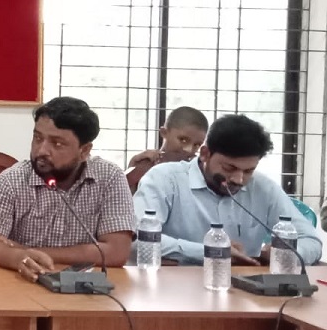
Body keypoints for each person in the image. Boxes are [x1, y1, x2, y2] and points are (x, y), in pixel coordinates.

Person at [0, 96, 136, 281]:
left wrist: (28, 251)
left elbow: (116, 252)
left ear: (84, 151)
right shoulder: (12, 179)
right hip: (24, 283)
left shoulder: (109, 178)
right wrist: (18, 258)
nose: (42, 150)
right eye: (37, 138)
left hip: (85, 287)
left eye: (57, 143)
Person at [133, 114, 321, 266]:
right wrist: (209, 251)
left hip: (245, 291)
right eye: (229, 168)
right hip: (172, 289)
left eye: (248, 171)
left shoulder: (263, 187)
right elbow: (136, 240)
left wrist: (285, 254)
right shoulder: (165, 179)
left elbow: (311, 241)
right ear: (205, 154)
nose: (238, 179)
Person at [125, 106, 208, 192]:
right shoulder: (146, 164)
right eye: (183, 140)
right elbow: (126, 198)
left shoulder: (198, 172)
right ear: (164, 133)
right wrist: (132, 170)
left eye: (197, 145)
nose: (189, 150)